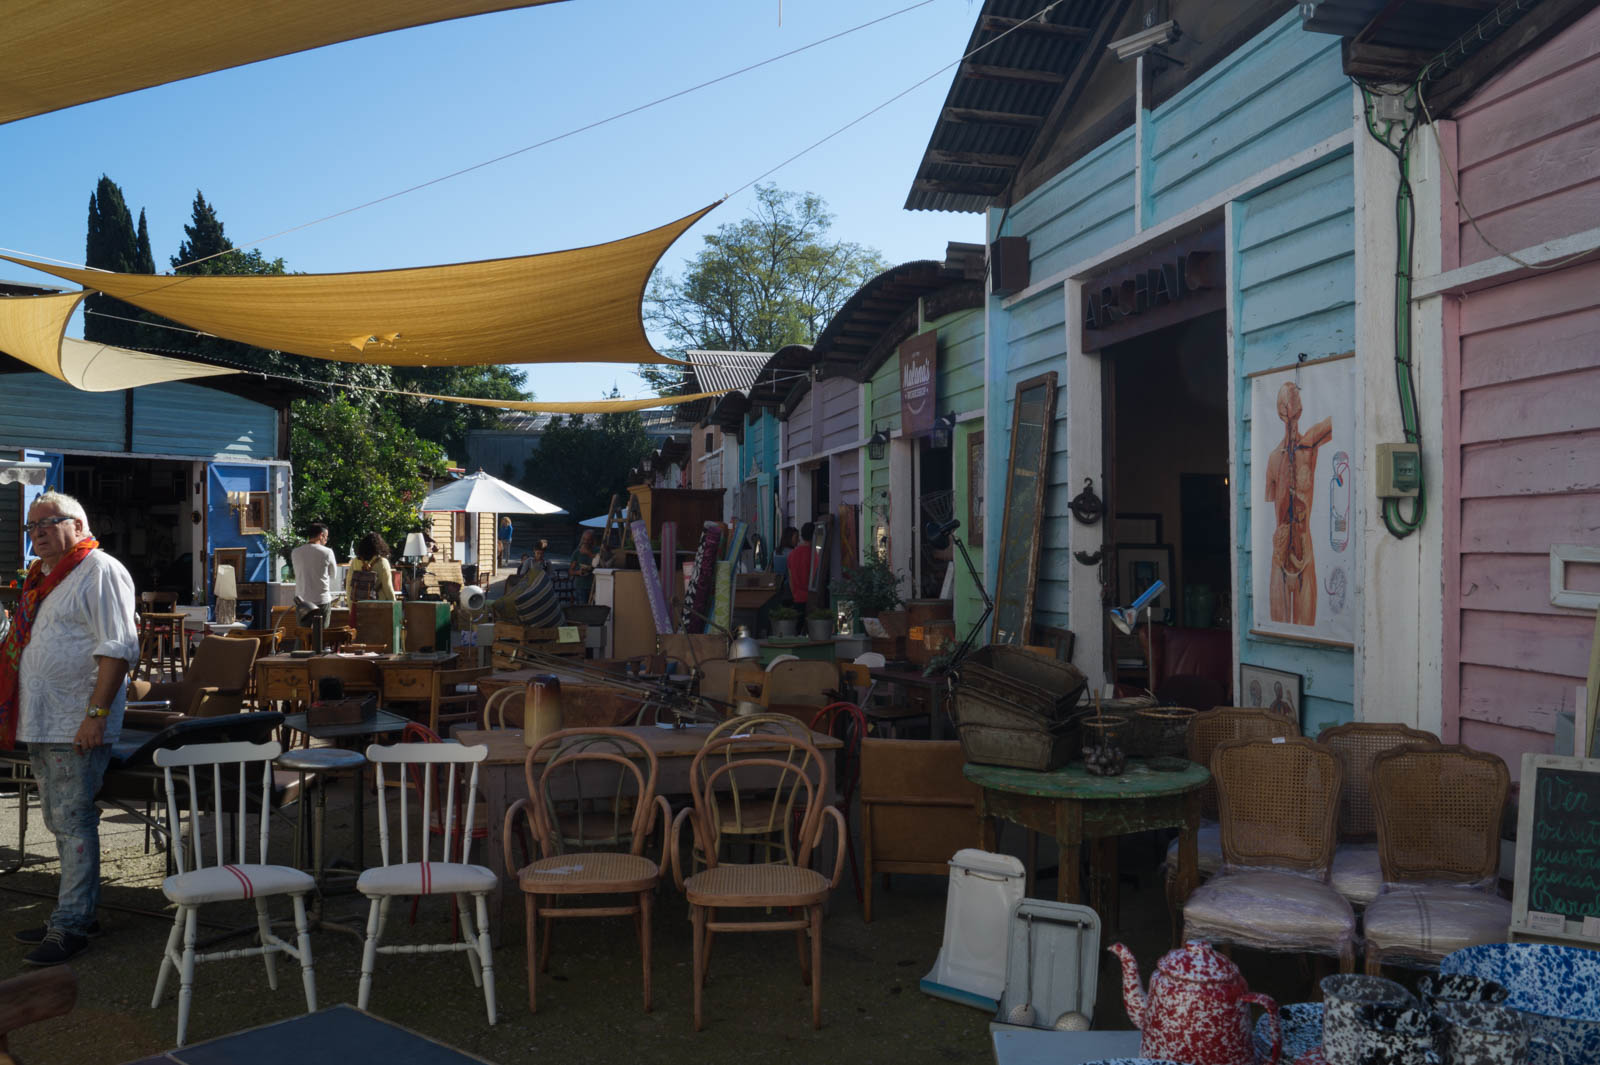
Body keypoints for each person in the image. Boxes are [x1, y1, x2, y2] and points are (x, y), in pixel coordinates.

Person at [0, 491, 138, 965]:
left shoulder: (100, 570)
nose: (36, 531)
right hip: (42, 719)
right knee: (58, 821)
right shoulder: (44, 578)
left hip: (75, 721)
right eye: (30, 526)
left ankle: (73, 924)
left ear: (78, 526)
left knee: (74, 819)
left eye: (47, 522)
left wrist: (95, 716)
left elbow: (117, 648)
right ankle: (76, 909)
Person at [1264, 381, 1332, 626]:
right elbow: (1270, 502)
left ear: (1300, 410)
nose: (1290, 411)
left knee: (1307, 628)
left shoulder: (1309, 445)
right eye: (1285, 406)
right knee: (1277, 626)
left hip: (1305, 545)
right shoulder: (1273, 459)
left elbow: (1334, 423)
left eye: (1293, 405)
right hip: (1280, 551)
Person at [290, 522, 339, 630]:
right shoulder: (327, 552)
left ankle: (301, 647)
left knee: (303, 635)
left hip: (302, 601)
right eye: (326, 537)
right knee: (321, 635)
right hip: (321, 600)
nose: (326, 540)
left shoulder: (295, 552)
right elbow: (333, 575)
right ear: (321, 535)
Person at [348, 532, 396, 602]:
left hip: (358, 604)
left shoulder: (355, 561)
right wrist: (395, 607)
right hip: (378, 605)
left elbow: (349, 585)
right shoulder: (382, 562)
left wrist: (351, 605)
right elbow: (388, 587)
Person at [786, 522, 814, 609]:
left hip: (797, 597)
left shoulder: (791, 554)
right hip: (812, 598)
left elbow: (791, 579)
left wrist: (794, 594)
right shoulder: (814, 555)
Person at [570, 529, 600, 605]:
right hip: (581, 586)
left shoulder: (597, 550)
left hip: (595, 584)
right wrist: (578, 572)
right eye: (584, 539)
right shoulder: (577, 552)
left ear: (592, 540)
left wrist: (588, 553)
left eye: (588, 539)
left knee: (594, 609)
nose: (585, 541)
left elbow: (601, 563)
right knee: (583, 609)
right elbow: (570, 571)